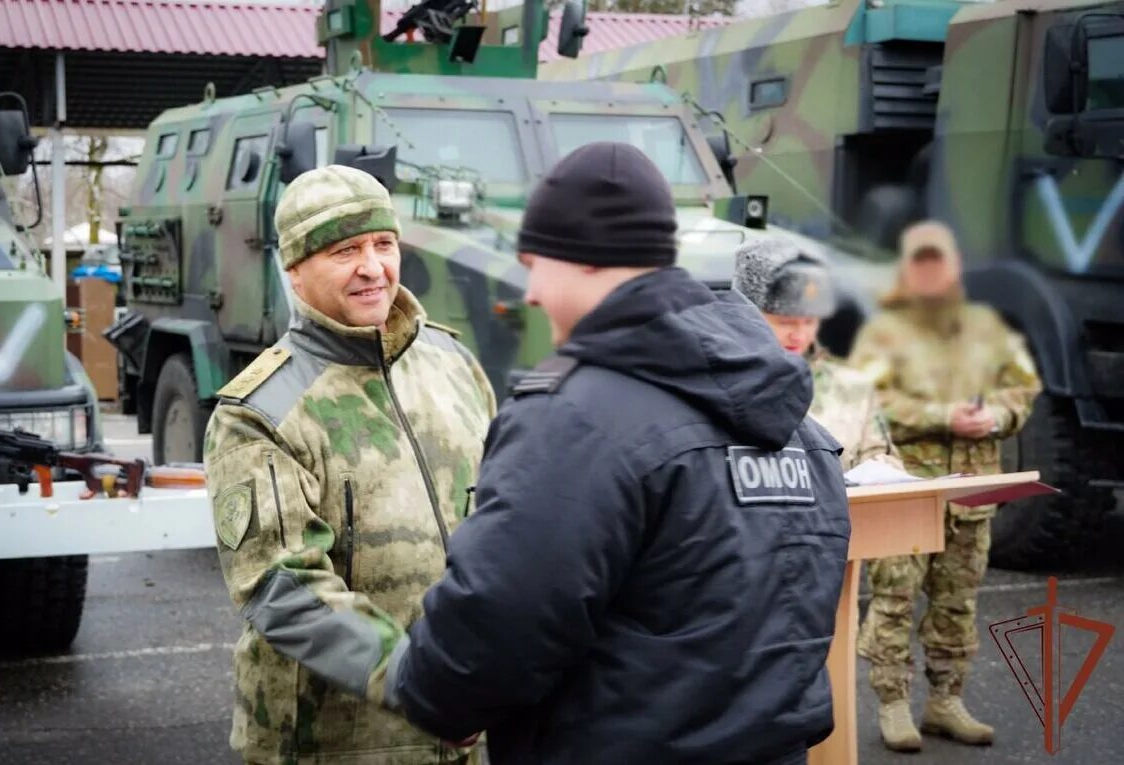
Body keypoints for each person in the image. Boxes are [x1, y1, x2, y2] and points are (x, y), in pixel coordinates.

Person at [358, 142, 849, 764]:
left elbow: (500, 620)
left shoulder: (574, 420)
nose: (531, 292)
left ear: (585, 260)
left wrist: (439, 697)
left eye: (536, 263)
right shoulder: (793, 421)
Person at [203, 165, 497, 765]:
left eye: (383, 244)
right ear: (295, 271)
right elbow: (282, 586)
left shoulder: (453, 363)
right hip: (335, 743)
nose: (372, 267)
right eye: (345, 250)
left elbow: (508, 520)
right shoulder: (259, 412)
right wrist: (417, 682)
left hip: (472, 727)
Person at [849, 220, 1041, 752]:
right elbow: (871, 405)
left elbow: (1024, 386)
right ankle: (892, 704)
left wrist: (997, 418)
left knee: (957, 602)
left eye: (941, 262)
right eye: (921, 262)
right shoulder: (883, 333)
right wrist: (942, 416)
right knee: (894, 598)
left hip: (972, 493)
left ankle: (945, 701)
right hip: (908, 490)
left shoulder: (988, 328)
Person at [732, 239, 901, 471]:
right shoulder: (723, 387)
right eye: (785, 322)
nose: (799, 335)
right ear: (747, 314)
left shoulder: (852, 388)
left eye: (809, 322)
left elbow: (884, 463)